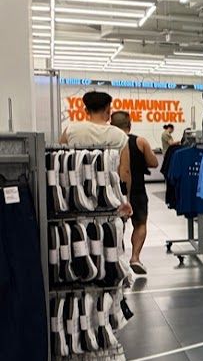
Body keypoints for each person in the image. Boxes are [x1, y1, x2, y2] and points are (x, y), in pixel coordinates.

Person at [59, 90, 132, 218]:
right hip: (109, 196)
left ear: (86, 110)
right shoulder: (120, 135)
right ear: (108, 110)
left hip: (78, 193)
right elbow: (125, 171)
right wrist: (126, 199)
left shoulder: (71, 131)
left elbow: (60, 160)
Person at [111, 111, 157, 275]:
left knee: (115, 226)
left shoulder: (109, 142)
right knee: (140, 224)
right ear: (129, 125)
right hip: (137, 191)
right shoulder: (140, 141)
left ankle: (115, 258)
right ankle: (135, 258)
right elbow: (154, 162)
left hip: (113, 192)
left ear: (111, 125)